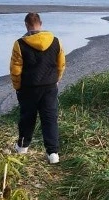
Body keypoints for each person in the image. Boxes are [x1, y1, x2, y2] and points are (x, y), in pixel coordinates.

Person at [9, 12, 66, 164]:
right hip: (49, 86)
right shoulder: (55, 41)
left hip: (28, 88)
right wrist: (57, 79)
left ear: (26, 25)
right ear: (40, 24)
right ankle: (53, 153)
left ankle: (22, 147)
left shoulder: (20, 44)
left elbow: (15, 69)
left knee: (27, 117)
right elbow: (61, 64)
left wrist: (17, 86)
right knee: (49, 118)